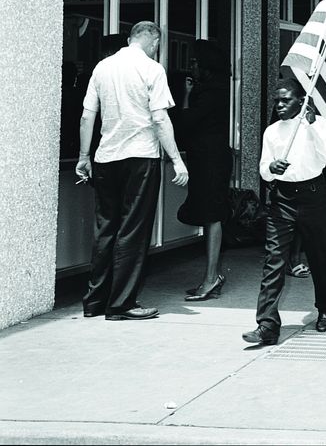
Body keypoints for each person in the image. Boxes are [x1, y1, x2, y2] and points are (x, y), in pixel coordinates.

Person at [77, 21, 189, 321]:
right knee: (133, 231)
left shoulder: (102, 68)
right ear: (154, 42)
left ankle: (95, 301)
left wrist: (83, 156)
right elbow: (161, 120)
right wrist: (176, 159)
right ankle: (122, 304)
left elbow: (88, 117)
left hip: (106, 156)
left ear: (130, 39)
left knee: (106, 228)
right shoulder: (152, 69)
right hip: (140, 157)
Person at [242, 77, 326, 347]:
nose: (280, 105)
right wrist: (272, 168)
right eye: (277, 100)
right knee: (274, 260)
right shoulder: (272, 131)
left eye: (286, 100)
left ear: (301, 100)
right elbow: (262, 167)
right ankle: (267, 325)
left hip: (314, 196)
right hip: (283, 199)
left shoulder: (317, 124)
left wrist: (312, 124)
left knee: (321, 258)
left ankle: (325, 309)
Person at [174, 39, 233, 302]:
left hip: (210, 160)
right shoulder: (215, 89)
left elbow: (187, 122)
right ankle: (213, 276)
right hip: (208, 158)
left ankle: (211, 278)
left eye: (195, 61)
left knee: (212, 215)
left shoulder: (211, 93)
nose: (191, 66)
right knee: (211, 215)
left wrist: (186, 96)